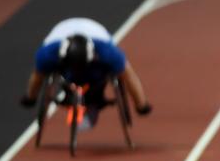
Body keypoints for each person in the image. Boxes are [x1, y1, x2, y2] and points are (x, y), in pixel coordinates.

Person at [20, 17, 152, 130]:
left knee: (103, 76)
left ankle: (95, 97)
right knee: (58, 74)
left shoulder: (108, 52)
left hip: (96, 35)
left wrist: (141, 104)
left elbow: (128, 75)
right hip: (61, 38)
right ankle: (71, 93)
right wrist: (30, 98)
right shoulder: (48, 53)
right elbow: (37, 77)